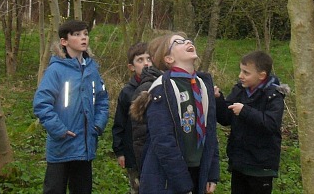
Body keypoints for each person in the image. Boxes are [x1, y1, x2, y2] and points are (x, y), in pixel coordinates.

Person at [131, 33, 220, 194]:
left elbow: (211, 132)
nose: (187, 42)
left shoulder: (203, 85)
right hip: (167, 178)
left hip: (198, 172)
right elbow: (163, 141)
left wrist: (211, 173)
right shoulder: (162, 88)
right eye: (178, 42)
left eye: (187, 40)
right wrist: (183, 184)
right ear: (169, 59)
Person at [33, 19, 110, 194]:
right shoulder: (56, 70)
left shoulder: (92, 69)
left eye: (85, 34)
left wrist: (97, 125)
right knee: (54, 189)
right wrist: (59, 130)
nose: (83, 38)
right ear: (64, 41)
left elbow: (102, 100)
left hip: (86, 146)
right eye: (76, 34)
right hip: (61, 146)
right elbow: (41, 104)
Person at [214, 50, 289, 194]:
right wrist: (218, 99)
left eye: (246, 73)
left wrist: (245, 111)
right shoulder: (239, 90)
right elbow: (225, 119)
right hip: (239, 163)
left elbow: (271, 124)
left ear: (262, 75)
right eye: (241, 71)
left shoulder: (273, 96)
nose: (240, 76)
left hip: (261, 166)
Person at [112, 42, 153, 194]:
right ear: (132, 67)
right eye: (140, 60)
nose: (146, 63)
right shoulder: (127, 92)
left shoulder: (160, 86)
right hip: (133, 153)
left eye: (149, 58)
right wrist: (120, 151)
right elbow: (119, 123)